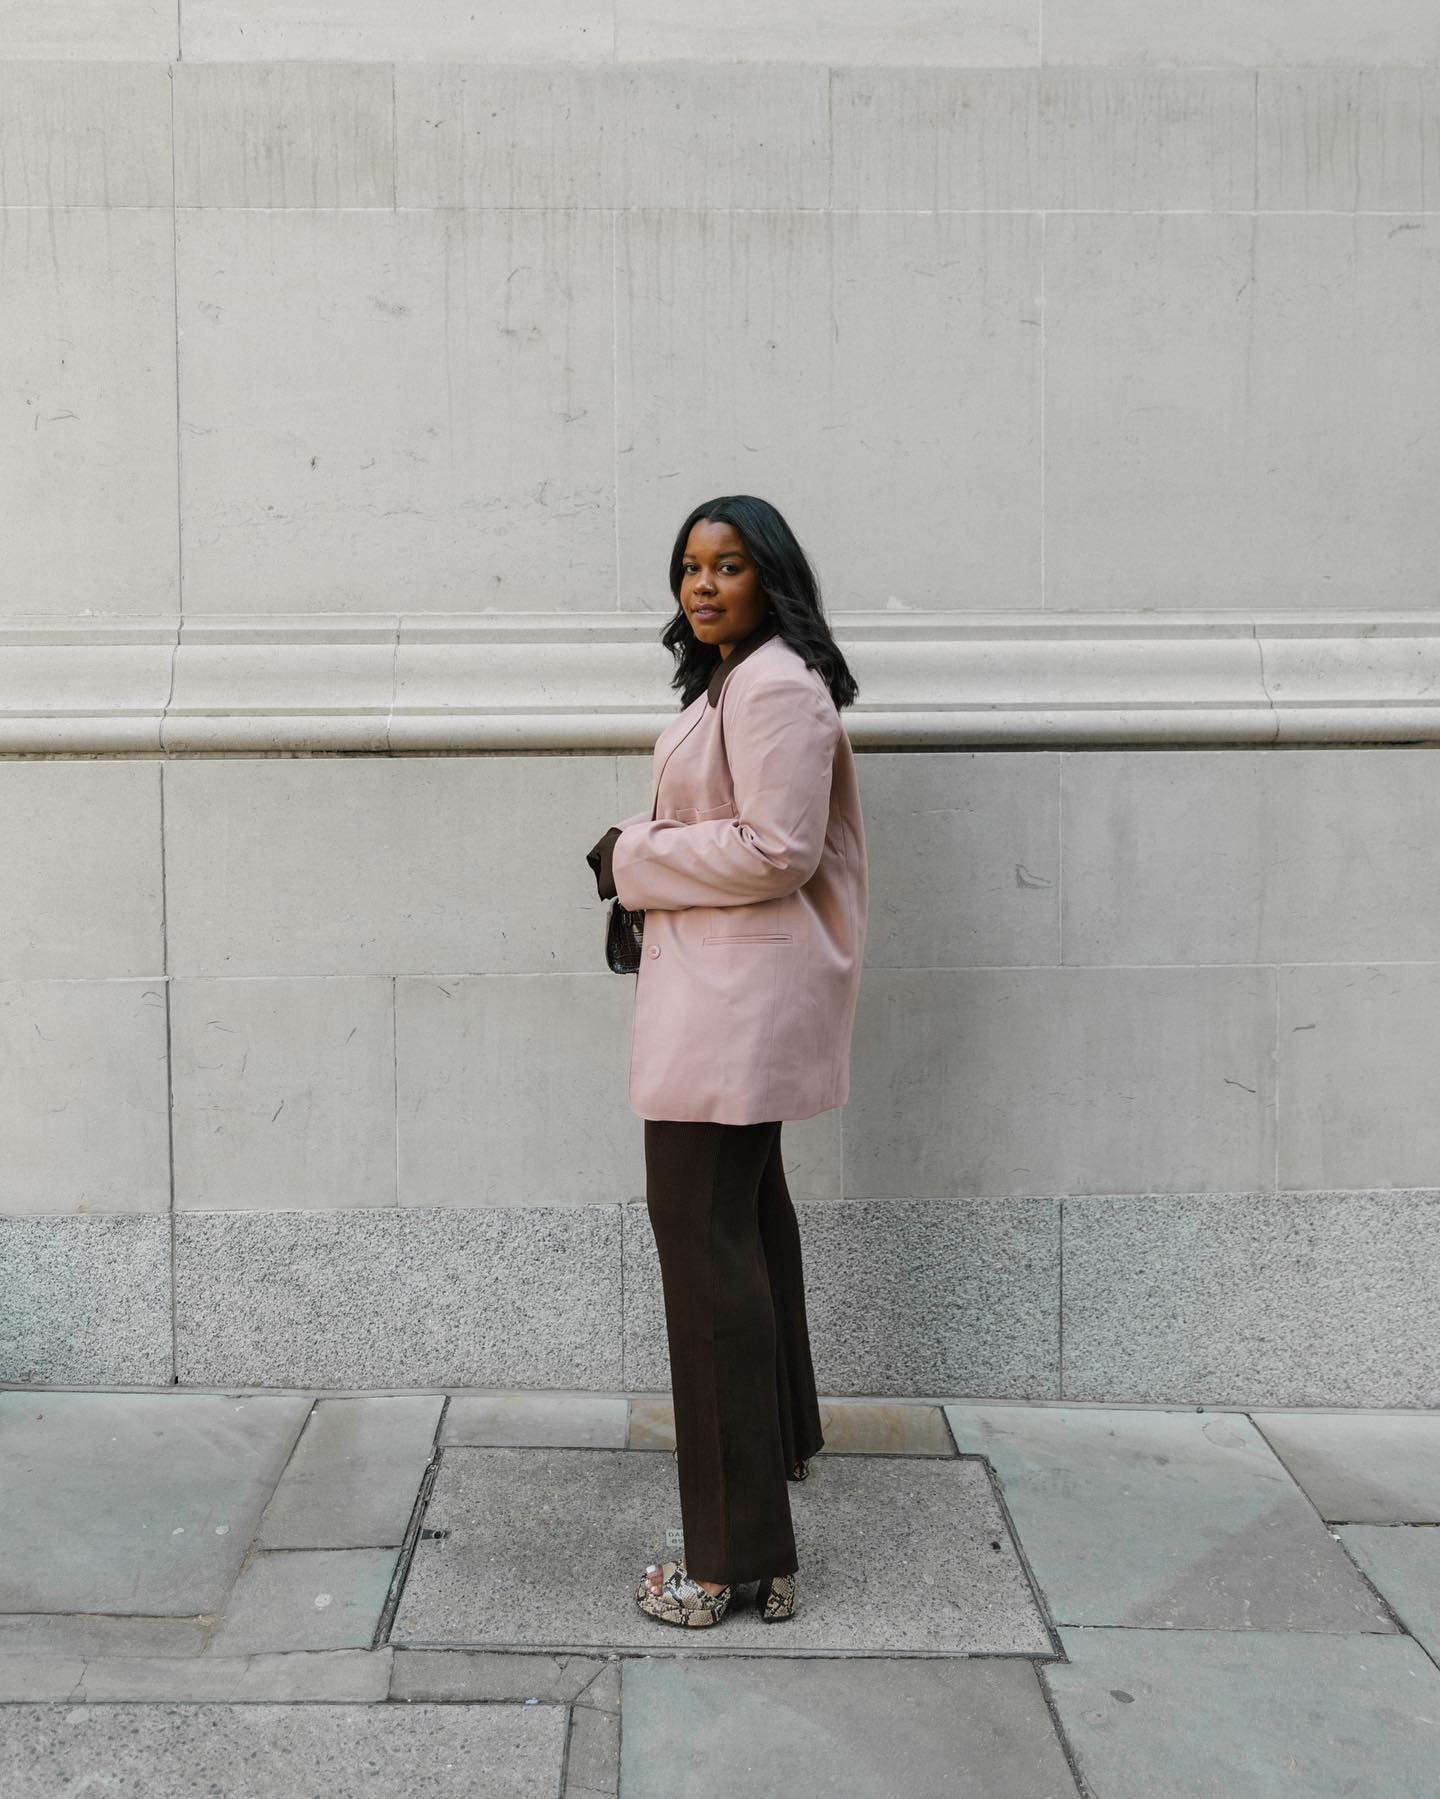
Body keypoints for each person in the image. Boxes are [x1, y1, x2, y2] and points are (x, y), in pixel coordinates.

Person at [585, 494, 868, 1628]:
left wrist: (629, 855)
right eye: (690, 567)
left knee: (705, 1260)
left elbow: (778, 847)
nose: (702, 586)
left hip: (730, 1008)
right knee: (747, 1227)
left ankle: (733, 1559)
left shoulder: (777, 686)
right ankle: (781, 1447)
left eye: (729, 566)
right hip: (729, 999)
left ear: (773, 576)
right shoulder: (739, 678)